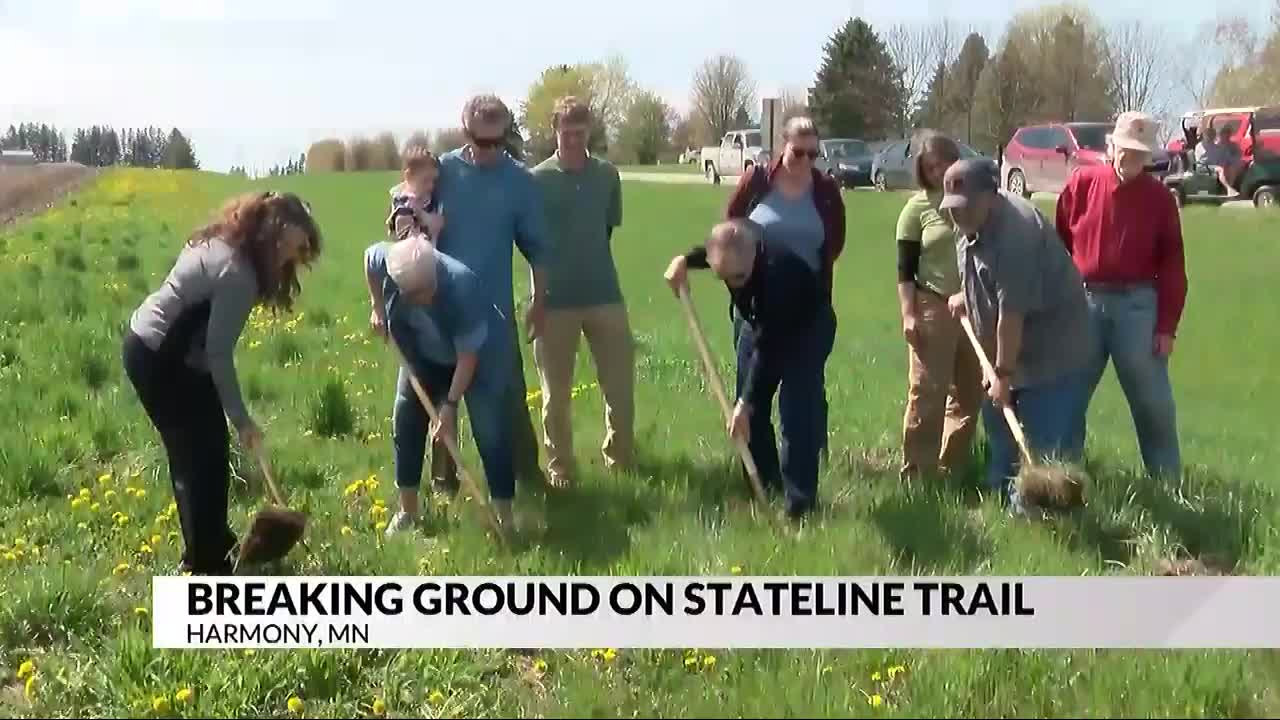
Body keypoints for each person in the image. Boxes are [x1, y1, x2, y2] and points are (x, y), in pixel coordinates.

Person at [122, 191, 322, 574]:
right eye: (289, 251)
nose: (288, 262)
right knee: (195, 457)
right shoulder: (238, 274)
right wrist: (243, 419)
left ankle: (211, 542)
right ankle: (205, 564)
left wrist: (229, 417)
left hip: (178, 355)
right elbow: (218, 353)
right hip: (160, 357)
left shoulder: (226, 239)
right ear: (272, 237)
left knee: (210, 450)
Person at [667, 115, 845, 460]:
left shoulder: (825, 190)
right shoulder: (758, 181)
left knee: (802, 389)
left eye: (813, 154)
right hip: (754, 302)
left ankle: (807, 462)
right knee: (752, 387)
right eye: (798, 152)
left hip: (805, 306)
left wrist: (795, 275)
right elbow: (728, 237)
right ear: (782, 147)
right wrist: (687, 260)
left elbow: (834, 243)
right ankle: (759, 474)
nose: (806, 161)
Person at [939, 158, 1093, 515]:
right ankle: (1000, 502)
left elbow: (1011, 313)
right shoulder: (968, 226)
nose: (958, 215)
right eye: (953, 208)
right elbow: (982, 275)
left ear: (992, 196)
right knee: (1001, 434)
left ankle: (1044, 517)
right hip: (1005, 350)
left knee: (1046, 444)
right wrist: (969, 297)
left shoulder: (1017, 234)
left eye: (966, 206)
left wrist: (1003, 373)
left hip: (1052, 352)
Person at [664, 219, 834, 519]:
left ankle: (800, 505)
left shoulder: (778, 272)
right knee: (748, 418)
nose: (732, 284)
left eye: (738, 277)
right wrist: (684, 261)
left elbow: (768, 347)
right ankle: (765, 487)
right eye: (724, 278)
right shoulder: (735, 250)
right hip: (759, 324)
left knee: (795, 410)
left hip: (805, 329)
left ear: (754, 253)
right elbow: (714, 252)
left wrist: (746, 401)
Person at [1055, 111, 1187, 480]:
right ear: (1111, 147)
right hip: (1085, 302)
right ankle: (1063, 478)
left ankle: (1166, 484)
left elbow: (1173, 263)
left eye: (1141, 154)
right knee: (1068, 393)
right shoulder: (1082, 184)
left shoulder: (1160, 199)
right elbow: (1061, 240)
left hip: (1138, 306)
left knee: (1152, 401)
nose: (1132, 160)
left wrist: (1166, 327)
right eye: (1126, 150)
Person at [429, 94, 550, 494]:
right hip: (441, 308)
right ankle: (444, 485)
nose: (491, 151)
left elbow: (537, 248)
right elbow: (405, 210)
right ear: (466, 135)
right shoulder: (442, 171)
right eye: (482, 143)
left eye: (499, 142)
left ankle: (527, 478)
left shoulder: (519, 181)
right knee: (442, 396)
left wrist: (539, 300)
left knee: (507, 396)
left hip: (494, 313)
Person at [366, 233, 517, 534]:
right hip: (421, 355)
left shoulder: (462, 285)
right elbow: (369, 259)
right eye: (417, 293)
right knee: (406, 420)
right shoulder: (390, 259)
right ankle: (408, 513)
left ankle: (505, 519)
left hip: (477, 357)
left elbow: (468, 358)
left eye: (429, 287)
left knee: (489, 429)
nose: (427, 296)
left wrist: (448, 405)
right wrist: (377, 306)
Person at [530, 96, 634, 488]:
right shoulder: (537, 180)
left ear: (589, 131)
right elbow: (530, 241)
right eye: (565, 132)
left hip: (605, 294)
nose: (573, 140)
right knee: (554, 397)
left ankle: (621, 461)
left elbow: (606, 229)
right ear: (554, 132)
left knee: (620, 389)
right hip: (553, 302)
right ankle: (561, 470)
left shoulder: (607, 176)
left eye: (580, 132)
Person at [894, 131, 983, 481]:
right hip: (932, 305)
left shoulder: (976, 201)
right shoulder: (916, 210)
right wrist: (909, 314)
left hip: (976, 307)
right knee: (928, 392)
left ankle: (950, 467)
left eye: (943, 164)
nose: (938, 172)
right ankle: (917, 471)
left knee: (968, 394)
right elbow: (904, 269)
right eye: (930, 167)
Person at [386, 146, 445, 242]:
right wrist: (428, 221)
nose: (431, 186)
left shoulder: (427, 198)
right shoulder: (404, 205)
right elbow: (407, 239)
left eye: (433, 180)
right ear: (408, 176)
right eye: (425, 180)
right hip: (412, 254)